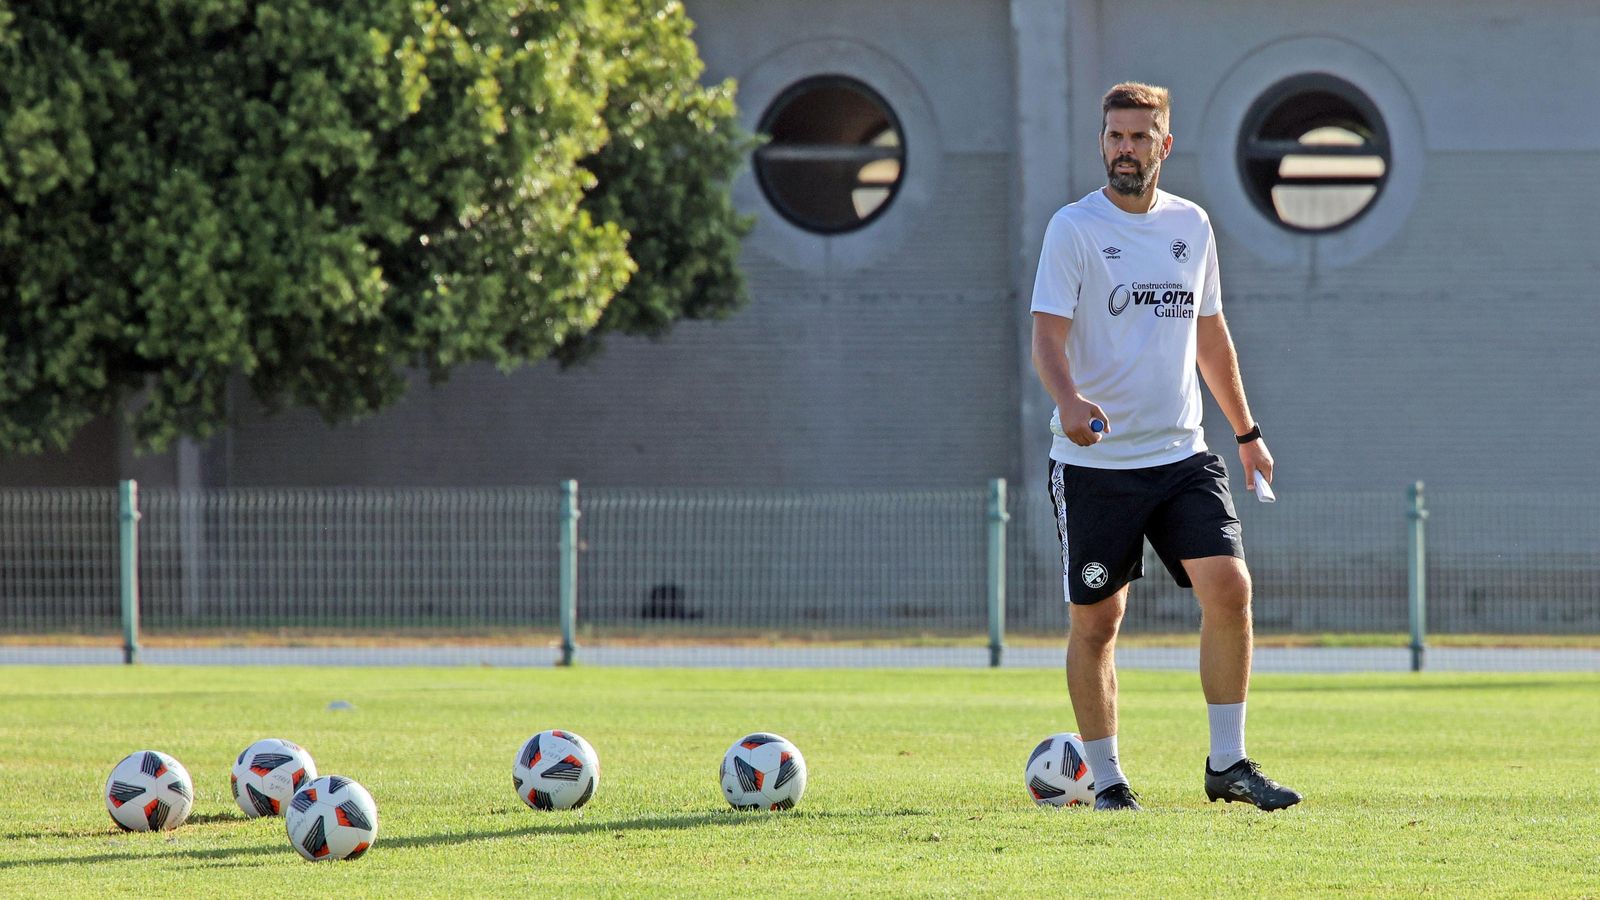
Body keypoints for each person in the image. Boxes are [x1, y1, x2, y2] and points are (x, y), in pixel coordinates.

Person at [1029, 82, 1301, 812]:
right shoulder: (1073, 229)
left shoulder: (1194, 226)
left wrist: (1247, 433)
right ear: (1102, 144)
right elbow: (1046, 338)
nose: (1125, 150)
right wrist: (1069, 402)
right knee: (1098, 621)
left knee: (1231, 589)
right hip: (1095, 466)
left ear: (1164, 145)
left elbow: (1210, 336)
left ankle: (1229, 763)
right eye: (1115, 137)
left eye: (1139, 137)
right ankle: (1109, 780)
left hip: (1183, 456)